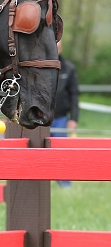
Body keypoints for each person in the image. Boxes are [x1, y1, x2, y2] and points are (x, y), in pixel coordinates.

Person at [53, 40, 79, 187]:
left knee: (61, 152)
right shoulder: (40, 67)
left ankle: (64, 184)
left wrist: (73, 119)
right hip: (41, 119)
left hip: (61, 119)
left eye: (57, 46)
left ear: (61, 48)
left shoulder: (69, 69)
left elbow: (74, 95)